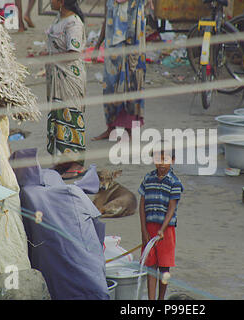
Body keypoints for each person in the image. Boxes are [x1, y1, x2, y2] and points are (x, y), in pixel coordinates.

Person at [45, 0, 88, 179]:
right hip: (57, 76)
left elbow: (74, 52)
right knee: (59, 116)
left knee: (71, 116)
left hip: (69, 76)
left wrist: (53, 58)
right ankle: (64, 159)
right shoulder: (59, 19)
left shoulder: (74, 23)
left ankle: (76, 163)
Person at [92, 0, 146, 140]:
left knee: (131, 90)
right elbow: (106, 20)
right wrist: (98, 45)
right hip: (112, 53)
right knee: (110, 88)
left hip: (131, 53)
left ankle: (130, 131)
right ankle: (111, 128)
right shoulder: (109, 1)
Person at [138, 144, 184, 300]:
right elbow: (142, 205)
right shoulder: (147, 178)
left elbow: (171, 208)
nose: (162, 163)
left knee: (165, 267)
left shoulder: (175, 182)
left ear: (173, 160)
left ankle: (161, 298)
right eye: (158, 159)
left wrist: (162, 229)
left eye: (165, 159)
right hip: (149, 227)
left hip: (167, 230)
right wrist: (144, 231)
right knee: (151, 266)